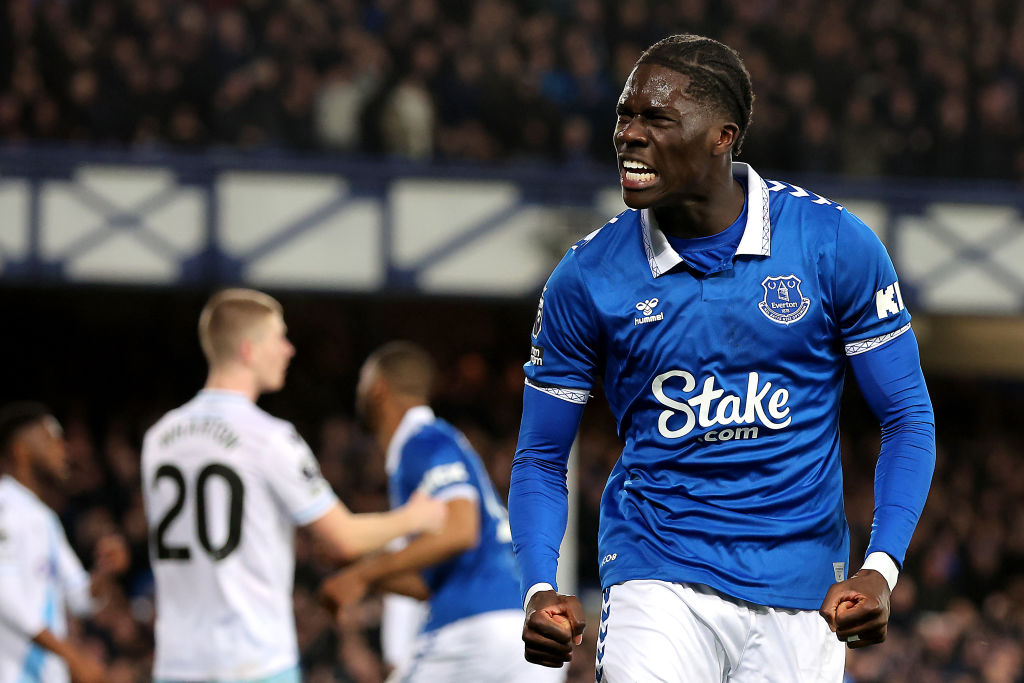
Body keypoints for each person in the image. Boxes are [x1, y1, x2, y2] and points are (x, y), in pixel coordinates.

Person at [508, 34, 936, 682]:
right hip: (657, 574)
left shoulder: (833, 245)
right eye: (625, 115)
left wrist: (881, 566)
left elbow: (907, 415)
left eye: (656, 119)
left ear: (721, 136)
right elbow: (541, 453)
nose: (628, 135)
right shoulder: (586, 277)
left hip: (802, 590)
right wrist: (539, 584)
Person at [141, 290, 446, 683]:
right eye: (279, 337)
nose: (288, 349)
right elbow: (345, 538)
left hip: (177, 664)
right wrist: (416, 516)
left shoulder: (160, 439)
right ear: (249, 350)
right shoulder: (269, 438)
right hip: (254, 661)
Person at [319, 342, 563, 682]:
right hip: (526, 631)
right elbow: (427, 583)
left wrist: (361, 576)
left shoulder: (423, 441)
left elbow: (461, 531)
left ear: (378, 388)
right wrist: (362, 572)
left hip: (476, 626)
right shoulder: (435, 443)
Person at [0, 402, 130, 683]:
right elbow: (4, 596)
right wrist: (73, 657)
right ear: (20, 451)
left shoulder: (42, 516)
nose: (64, 449)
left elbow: (81, 598)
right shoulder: (4, 507)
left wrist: (106, 570)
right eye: (51, 438)